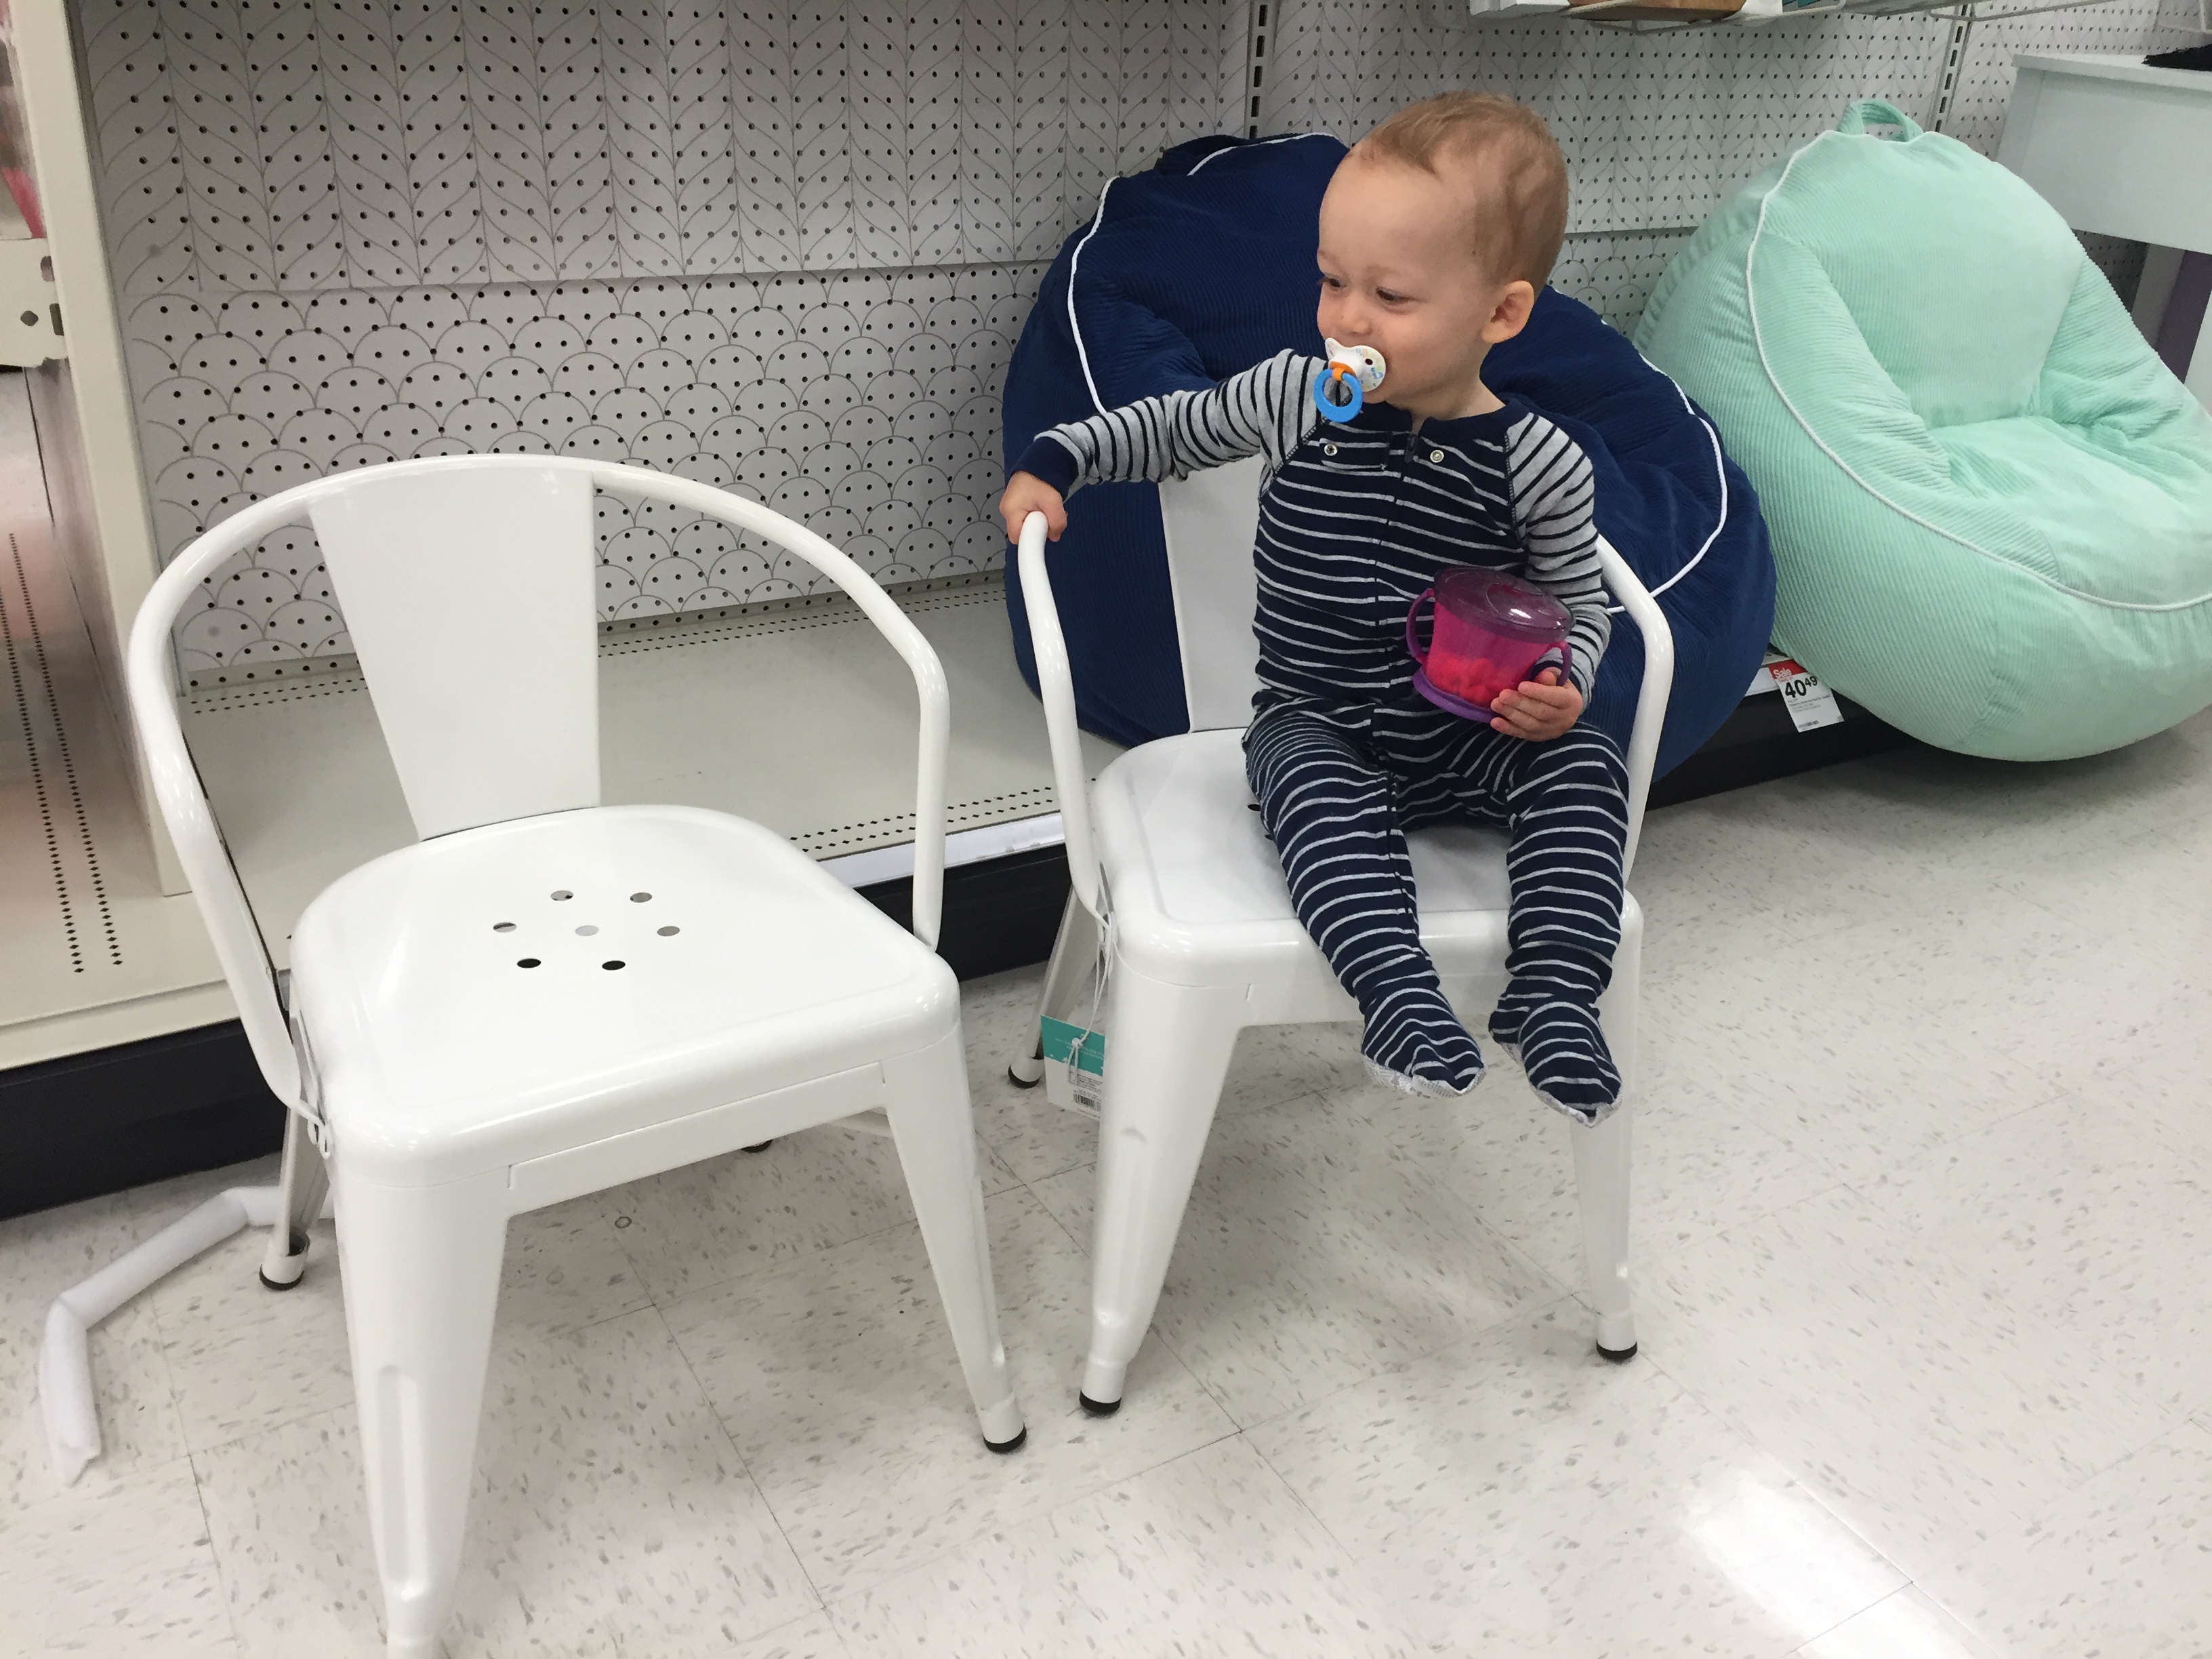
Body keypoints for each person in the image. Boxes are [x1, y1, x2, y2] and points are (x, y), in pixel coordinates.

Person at [998, 92, 1627, 1124]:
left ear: (1500, 314)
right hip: (1317, 719)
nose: (1347, 319)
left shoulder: (1540, 463)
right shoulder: (1306, 395)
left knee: (1585, 767)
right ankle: (1397, 996)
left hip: (1470, 729)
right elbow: (1179, 428)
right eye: (1332, 281)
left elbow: (1576, 606)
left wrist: (1566, 684)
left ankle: (1555, 992)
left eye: (1390, 294)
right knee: (1313, 799)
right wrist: (1060, 459)